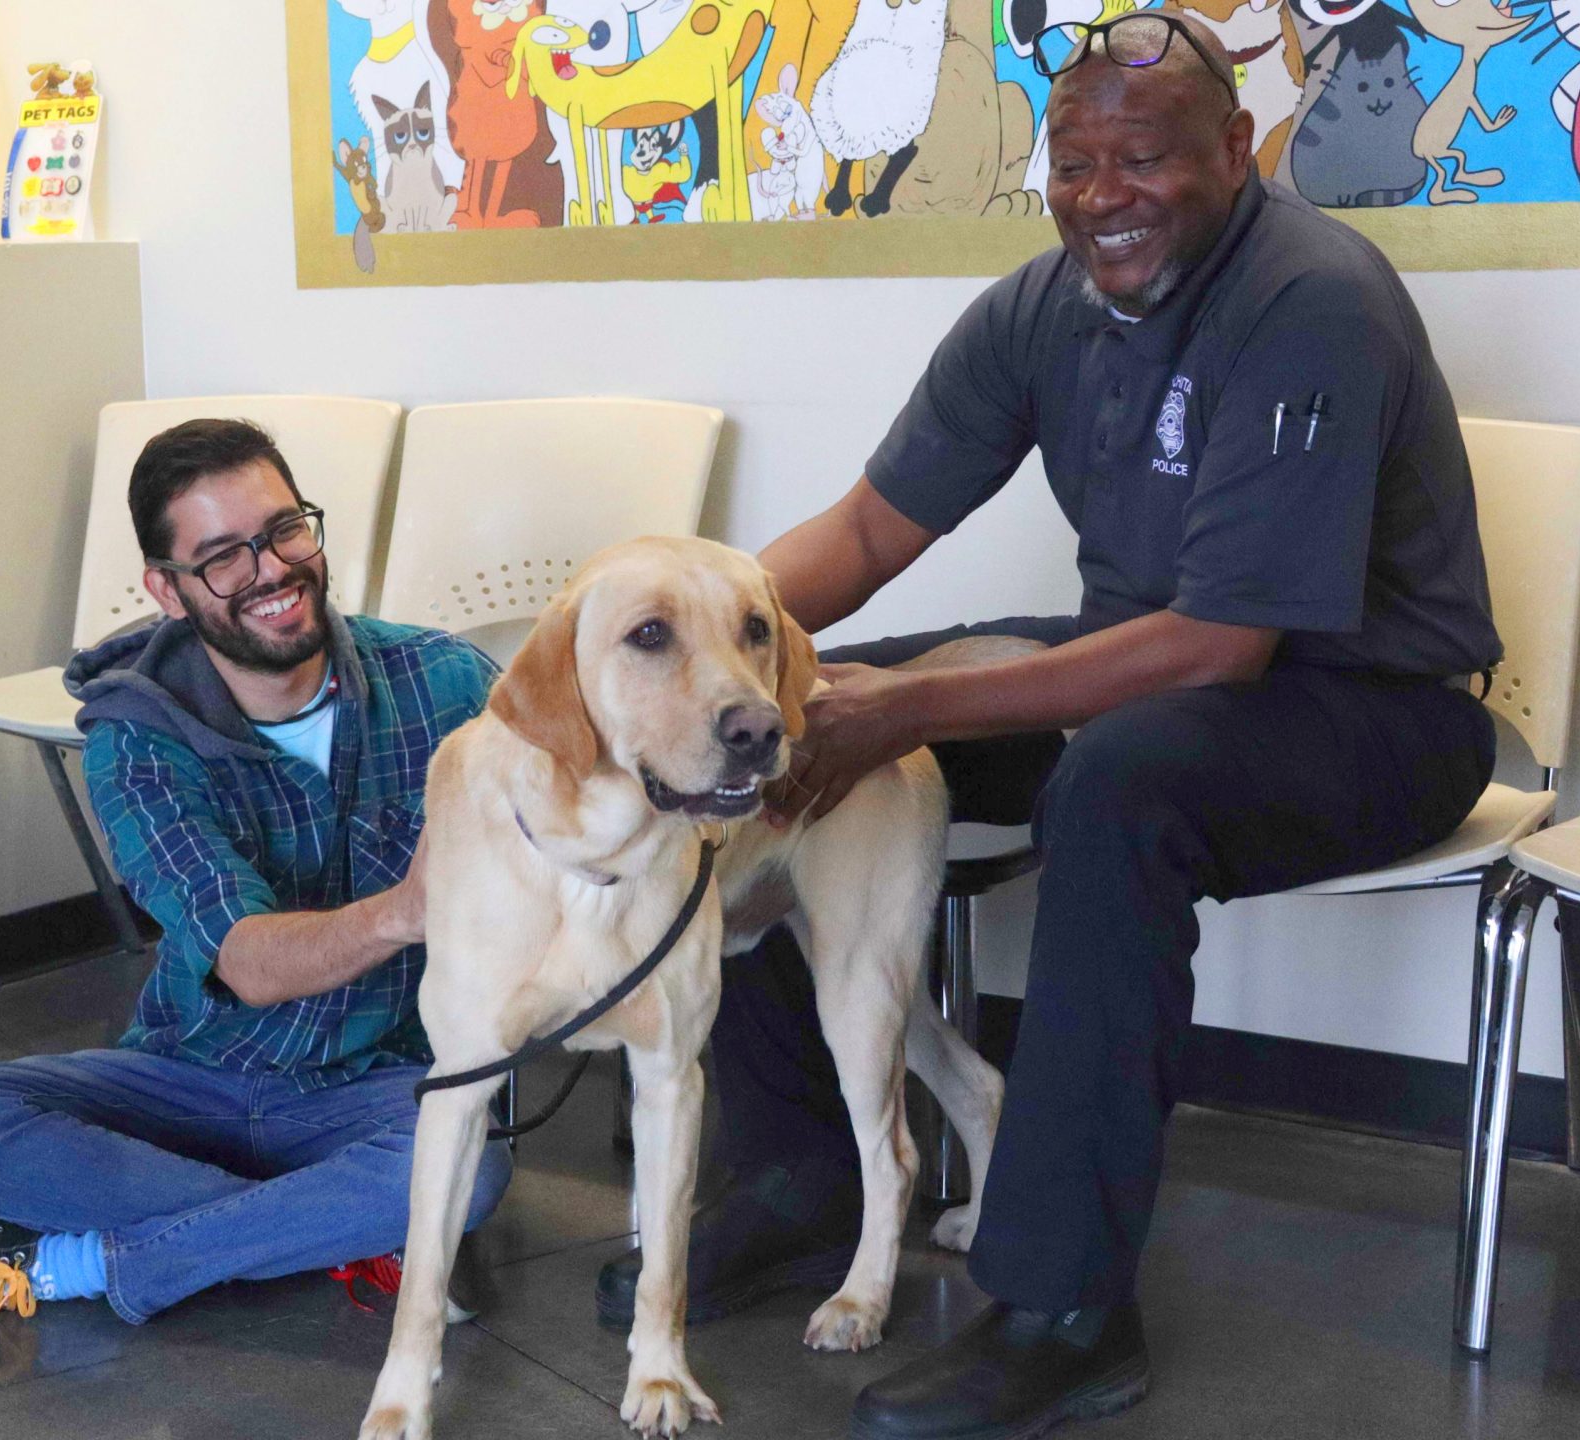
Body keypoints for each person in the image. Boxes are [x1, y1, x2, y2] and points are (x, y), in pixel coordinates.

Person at [593, 16, 1503, 1438]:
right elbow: (868, 529)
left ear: (1237, 150)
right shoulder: (1044, 306)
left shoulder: (1312, 297)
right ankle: (804, 1172)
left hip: (1370, 705)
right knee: (788, 717)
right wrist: (721, 651)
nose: (1102, 196)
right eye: (1072, 164)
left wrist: (913, 708)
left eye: (1141, 159)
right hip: (1146, 658)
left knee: (1119, 789)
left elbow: (1220, 643)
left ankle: (1065, 1305)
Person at [0, 418, 510, 1328]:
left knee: (476, 1165)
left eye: (285, 529)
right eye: (223, 556)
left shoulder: (448, 683)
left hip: (371, 1083)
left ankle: (75, 1261)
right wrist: (405, 912)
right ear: (167, 591)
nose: (270, 571)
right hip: (192, 1083)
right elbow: (252, 966)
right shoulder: (135, 740)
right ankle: (324, 1227)